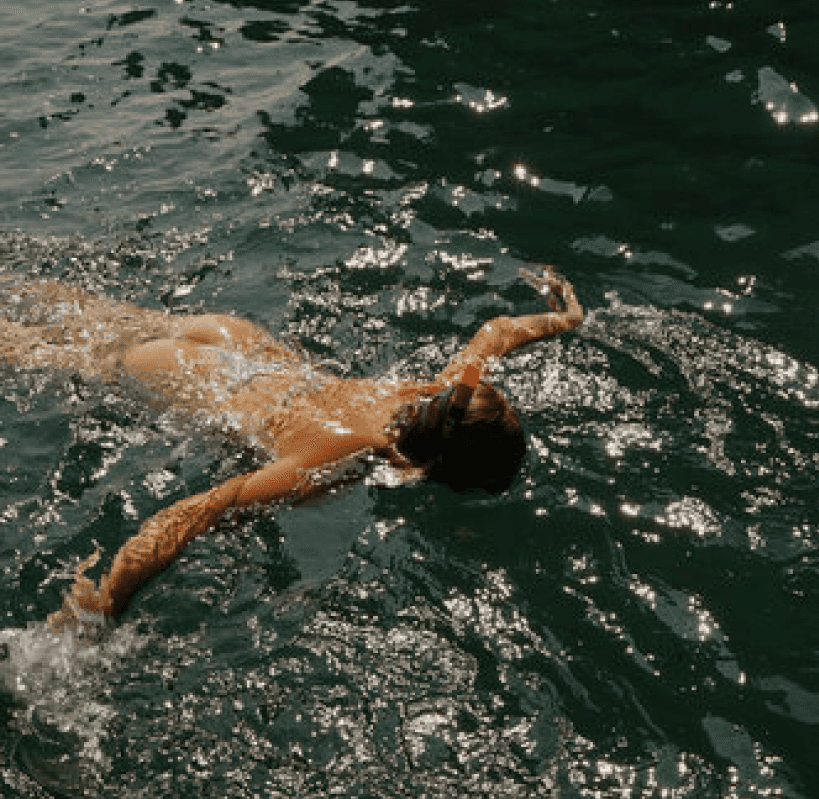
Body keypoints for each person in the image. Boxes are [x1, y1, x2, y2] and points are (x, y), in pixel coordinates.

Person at [23, 267, 583, 628]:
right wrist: (101, 609)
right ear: (432, 467)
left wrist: (566, 317)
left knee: (88, 318)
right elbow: (195, 512)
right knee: (35, 352)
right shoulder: (342, 461)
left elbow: (496, 332)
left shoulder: (441, 393)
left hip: (231, 339)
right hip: (181, 377)